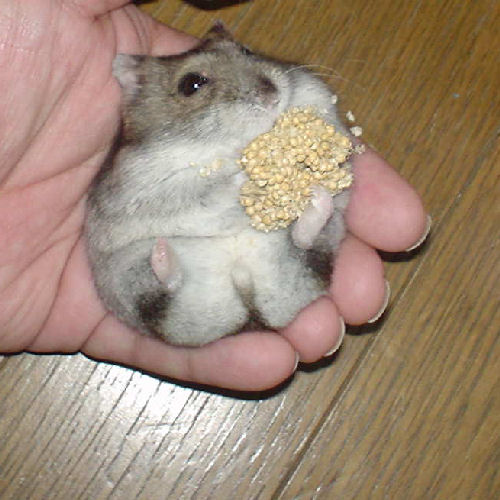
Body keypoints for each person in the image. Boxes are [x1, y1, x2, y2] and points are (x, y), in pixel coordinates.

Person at [0, 0, 428, 391]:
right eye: (194, 85)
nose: (262, 89)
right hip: (182, 283)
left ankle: (305, 234)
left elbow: (320, 122)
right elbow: (149, 211)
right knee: (141, 274)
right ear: (137, 92)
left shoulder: (289, 94)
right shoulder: (149, 163)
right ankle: (170, 281)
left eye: (245, 55)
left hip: (280, 269)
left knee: (326, 210)